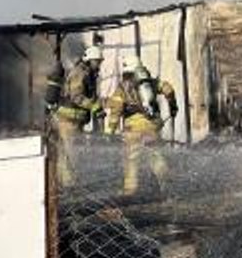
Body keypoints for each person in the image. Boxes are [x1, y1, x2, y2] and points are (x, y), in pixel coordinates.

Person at [104, 57, 177, 197]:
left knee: (131, 160)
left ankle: (130, 190)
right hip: (151, 127)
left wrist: (109, 132)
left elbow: (116, 111)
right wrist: (173, 106)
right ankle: (166, 184)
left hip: (132, 129)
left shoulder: (122, 87)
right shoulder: (151, 83)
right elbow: (169, 89)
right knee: (156, 156)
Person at [52, 46, 104, 187]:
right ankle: (70, 186)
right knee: (71, 153)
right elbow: (76, 97)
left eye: (100, 61)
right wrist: (93, 106)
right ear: (89, 60)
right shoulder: (80, 73)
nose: (99, 65)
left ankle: (66, 184)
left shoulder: (88, 74)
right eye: (97, 61)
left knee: (68, 154)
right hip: (68, 121)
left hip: (74, 121)